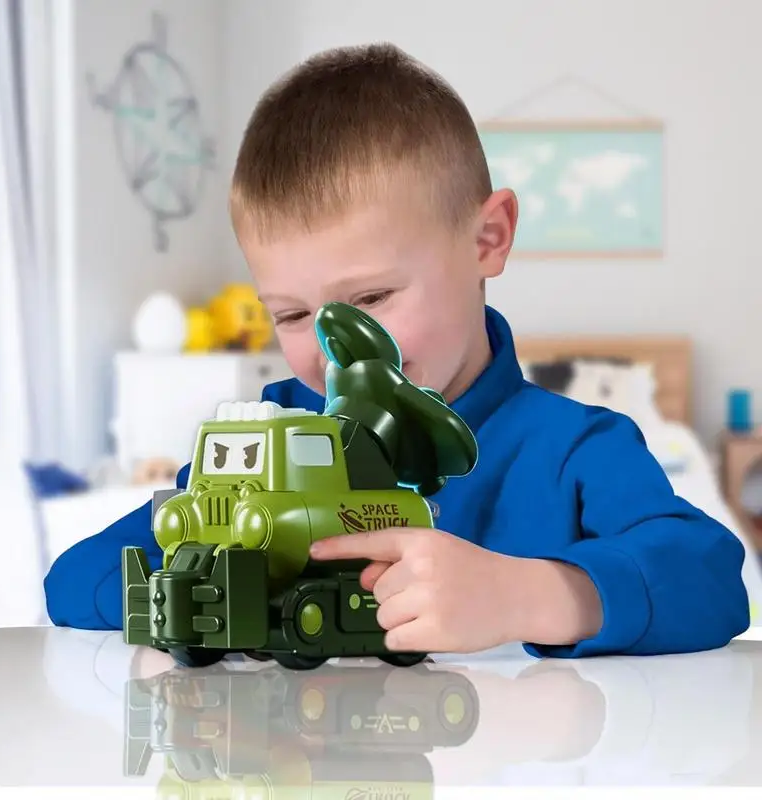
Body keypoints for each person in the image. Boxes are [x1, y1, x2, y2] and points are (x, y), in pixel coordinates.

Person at [44, 43, 750, 657]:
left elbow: (713, 576)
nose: (331, 353)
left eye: (373, 300)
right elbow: (76, 575)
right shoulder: (269, 438)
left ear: (487, 239)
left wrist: (527, 594)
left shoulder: (575, 448)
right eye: (291, 314)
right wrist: (181, 611)